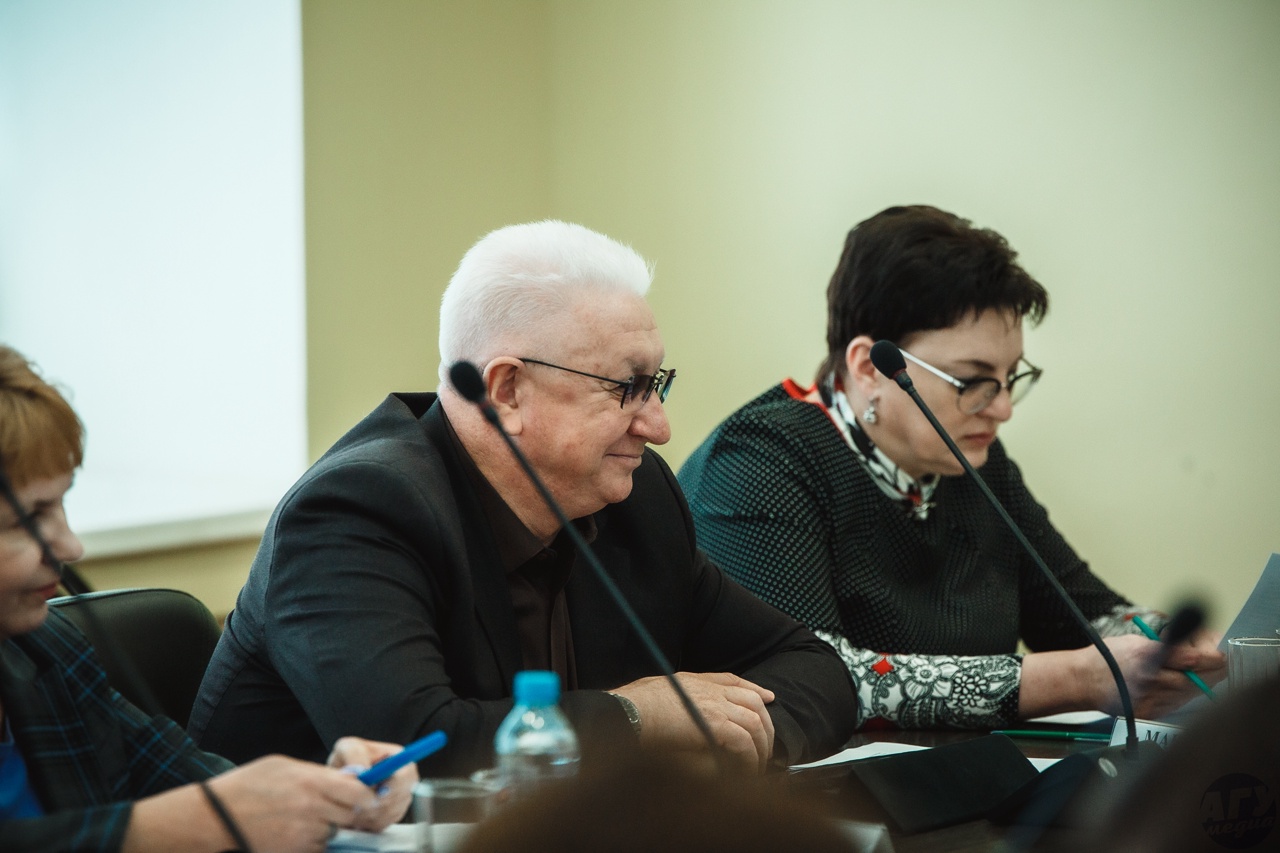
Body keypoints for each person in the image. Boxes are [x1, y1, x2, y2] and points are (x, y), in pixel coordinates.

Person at [189, 220, 858, 777]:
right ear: (506, 390)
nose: (658, 427)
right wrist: (638, 719)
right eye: (626, 387)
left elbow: (813, 667)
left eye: (658, 385)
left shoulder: (636, 497)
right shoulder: (357, 512)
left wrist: (724, 747)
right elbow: (415, 745)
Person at [678, 205, 1224, 731]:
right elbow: (813, 677)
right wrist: (1074, 679)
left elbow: (1084, 614)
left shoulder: (973, 462)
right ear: (869, 368)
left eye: (1010, 378)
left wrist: (1168, 644)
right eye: (973, 381)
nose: (1002, 408)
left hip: (958, 775)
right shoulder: (759, 460)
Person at [0, 345, 415, 853]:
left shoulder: (46, 648)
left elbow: (192, 785)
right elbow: (195, 817)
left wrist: (322, 795)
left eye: (62, 503)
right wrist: (166, 828)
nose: (69, 547)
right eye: (29, 518)